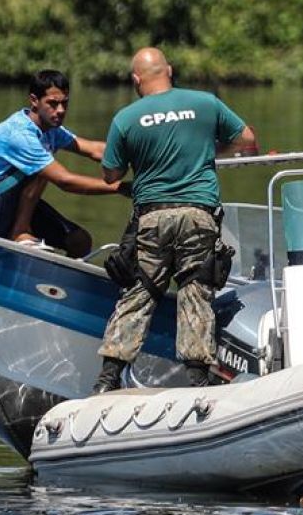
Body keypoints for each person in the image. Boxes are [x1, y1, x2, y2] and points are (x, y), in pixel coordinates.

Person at [93, 48, 258, 391]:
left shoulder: (126, 118)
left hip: (152, 218)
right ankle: (198, 380)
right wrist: (208, 149)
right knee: (195, 291)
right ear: (169, 70)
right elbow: (247, 140)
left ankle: (108, 378)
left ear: (136, 80)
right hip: (199, 214)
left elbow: (111, 174)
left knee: (140, 291)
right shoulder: (205, 103)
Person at [0, 69, 127, 256]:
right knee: (43, 168)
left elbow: (94, 150)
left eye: (65, 103)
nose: (61, 110)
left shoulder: (51, 128)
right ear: (34, 101)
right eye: (53, 104)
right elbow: (65, 181)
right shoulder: (19, 135)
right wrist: (121, 188)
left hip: (13, 201)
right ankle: (20, 232)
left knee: (79, 241)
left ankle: (59, 282)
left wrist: (138, 153)